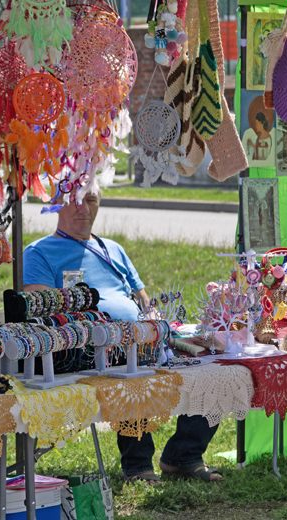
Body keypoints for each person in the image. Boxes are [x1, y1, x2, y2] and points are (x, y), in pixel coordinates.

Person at [23, 186, 222, 484]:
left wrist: (162, 327)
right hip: (88, 352)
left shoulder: (112, 249)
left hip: (144, 343)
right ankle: (138, 464)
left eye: (91, 200)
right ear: (55, 205)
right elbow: (42, 313)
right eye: (75, 202)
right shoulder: (39, 253)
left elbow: (145, 304)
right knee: (131, 373)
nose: (84, 209)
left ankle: (184, 455)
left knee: (218, 370)